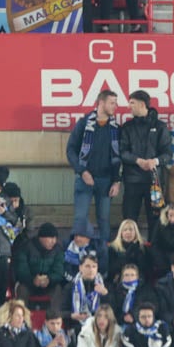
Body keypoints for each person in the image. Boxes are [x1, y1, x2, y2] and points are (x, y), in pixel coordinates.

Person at [66, 91, 122, 244]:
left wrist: (117, 181)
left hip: (106, 181)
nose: (116, 106)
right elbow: (70, 150)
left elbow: (119, 157)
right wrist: (82, 171)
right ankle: (75, 256)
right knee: (80, 218)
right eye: (112, 103)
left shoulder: (116, 128)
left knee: (104, 219)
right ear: (101, 103)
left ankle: (104, 255)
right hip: (84, 179)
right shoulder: (84, 123)